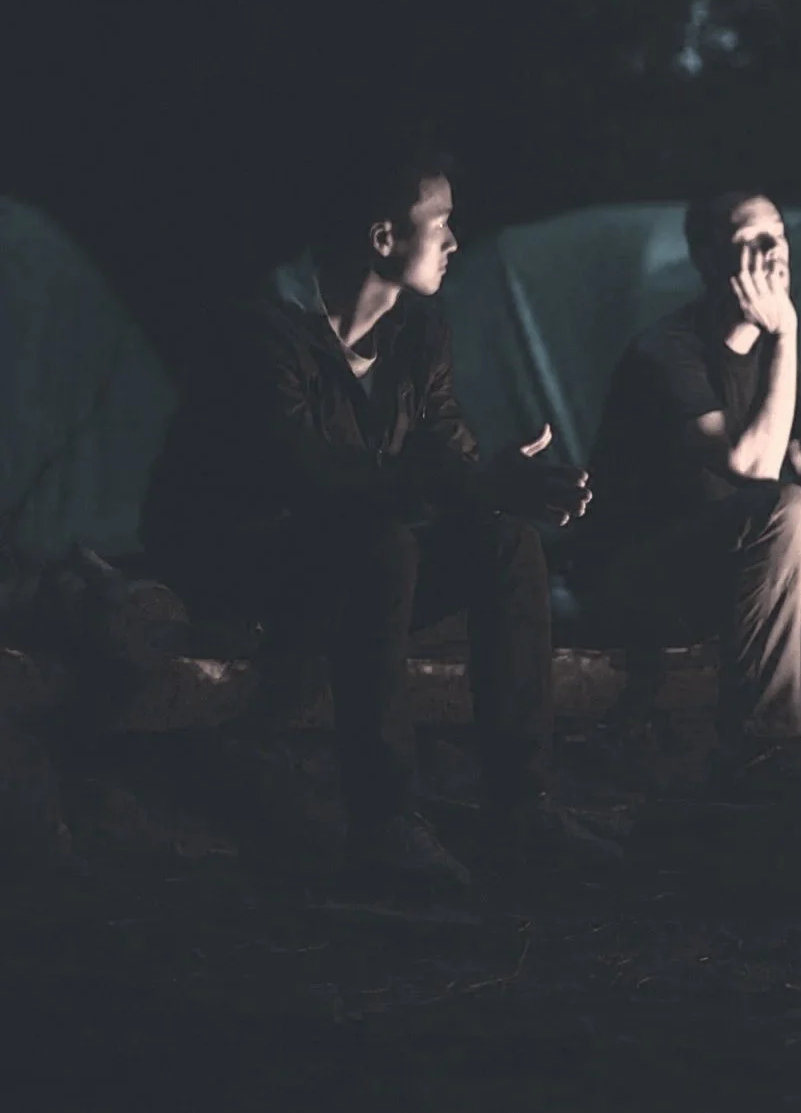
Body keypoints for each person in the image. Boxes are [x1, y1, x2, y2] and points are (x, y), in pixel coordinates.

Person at [143, 141, 611, 891]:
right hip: (247, 567)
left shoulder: (415, 331)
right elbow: (313, 476)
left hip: (357, 566)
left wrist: (502, 483)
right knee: (380, 543)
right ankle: (385, 820)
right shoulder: (263, 333)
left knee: (503, 541)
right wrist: (468, 479)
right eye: (442, 223)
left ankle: (520, 804)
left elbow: (442, 454)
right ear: (383, 236)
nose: (456, 241)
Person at [576, 191, 801, 797]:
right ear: (707, 258)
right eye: (752, 240)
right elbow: (753, 465)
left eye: (779, 236)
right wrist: (787, 332)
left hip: (756, 573)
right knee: (786, 506)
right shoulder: (666, 352)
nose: (774, 254)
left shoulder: (777, 355)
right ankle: (768, 742)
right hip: (654, 580)